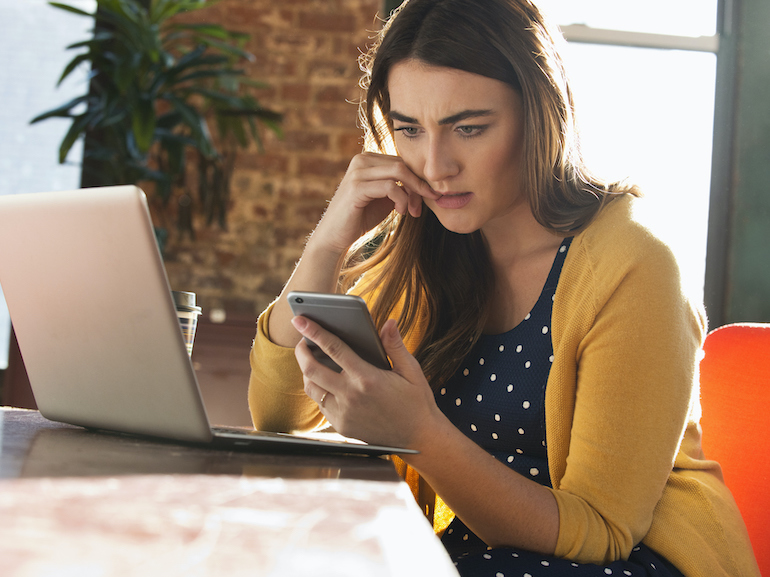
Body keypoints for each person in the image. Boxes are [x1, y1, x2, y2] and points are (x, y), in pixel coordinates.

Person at [248, 0, 760, 575]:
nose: (435, 164)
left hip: (630, 560)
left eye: (469, 128)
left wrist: (419, 432)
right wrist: (325, 243)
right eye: (409, 129)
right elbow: (278, 415)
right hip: (493, 554)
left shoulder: (635, 264)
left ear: (541, 116)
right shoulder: (436, 245)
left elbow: (603, 533)